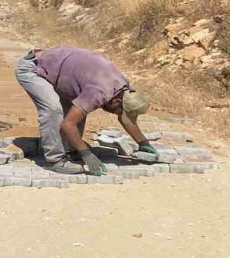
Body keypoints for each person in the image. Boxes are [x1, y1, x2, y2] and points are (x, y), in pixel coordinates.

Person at [14, 46, 155, 175]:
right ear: (117, 101)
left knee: (76, 109)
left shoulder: (123, 87)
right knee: (53, 110)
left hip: (57, 69)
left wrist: (143, 143)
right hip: (32, 69)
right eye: (118, 112)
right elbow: (68, 124)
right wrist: (87, 154)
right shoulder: (99, 92)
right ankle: (54, 160)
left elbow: (127, 118)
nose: (116, 114)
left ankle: (71, 149)